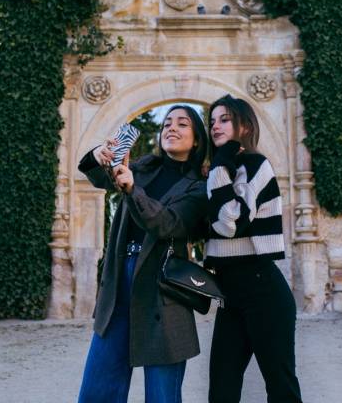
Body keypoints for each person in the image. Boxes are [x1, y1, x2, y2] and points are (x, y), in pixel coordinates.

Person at [77, 105, 208, 403]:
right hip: (119, 283)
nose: (171, 128)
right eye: (167, 123)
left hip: (164, 291)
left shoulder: (199, 189)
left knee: (162, 396)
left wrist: (133, 190)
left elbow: (168, 224)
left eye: (182, 124)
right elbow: (99, 178)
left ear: (197, 139)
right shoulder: (142, 167)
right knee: (98, 391)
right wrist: (100, 155)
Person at [205, 94, 302, 403]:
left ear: (244, 125)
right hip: (227, 292)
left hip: (263, 289)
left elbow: (230, 223)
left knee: (280, 385)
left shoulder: (255, 165)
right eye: (212, 122)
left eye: (224, 119)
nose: (215, 126)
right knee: (221, 388)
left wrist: (220, 166)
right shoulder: (219, 170)